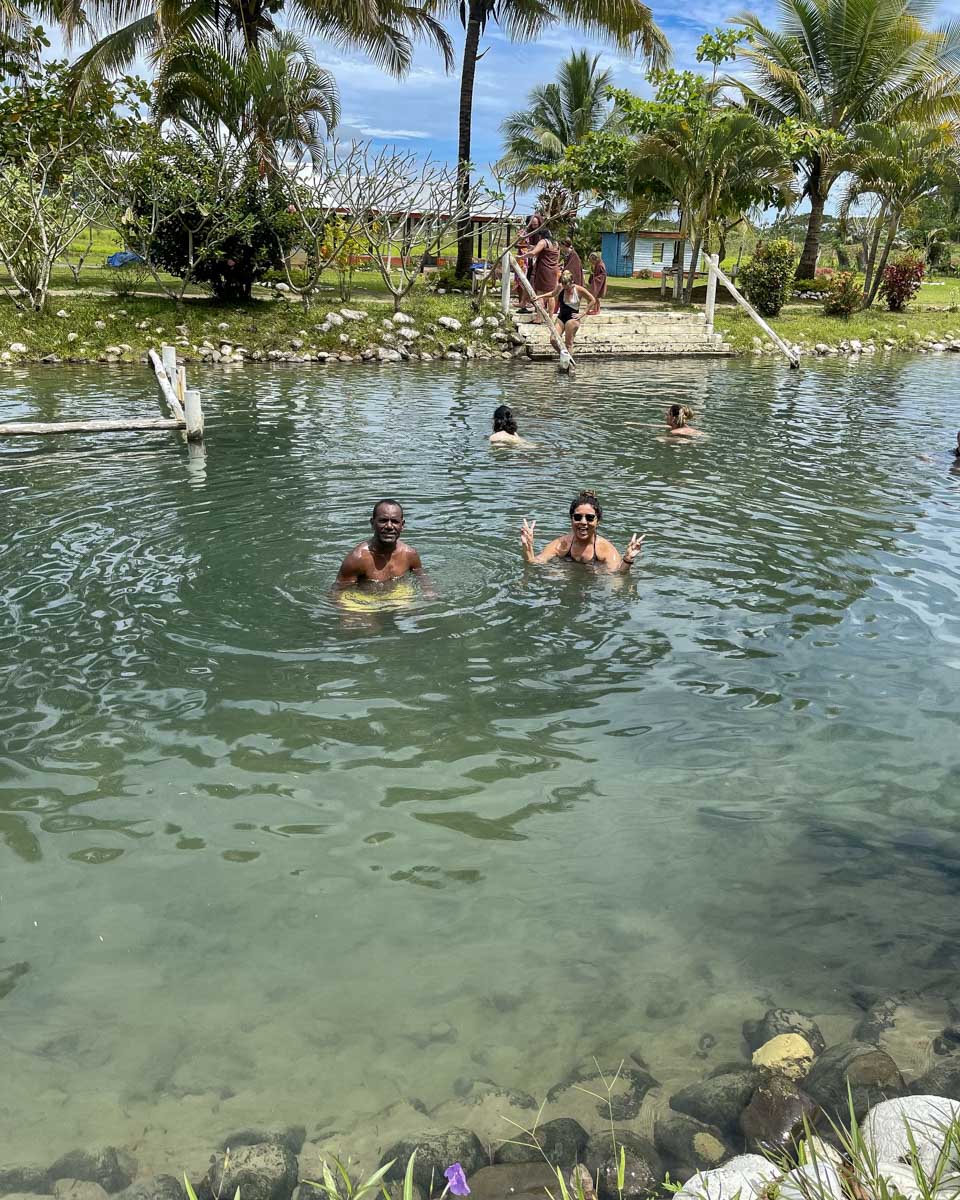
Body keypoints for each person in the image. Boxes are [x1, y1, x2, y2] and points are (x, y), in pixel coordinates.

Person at [520, 489, 644, 572]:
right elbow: (534, 564)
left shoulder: (605, 549)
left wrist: (628, 559)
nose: (583, 522)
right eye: (578, 517)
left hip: (594, 583)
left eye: (589, 518)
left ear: (598, 521)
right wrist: (528, 548)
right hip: (568, 578)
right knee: (554, 575)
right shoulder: (560, 544)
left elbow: (618, 577)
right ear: (571, 519)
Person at [334, 499, 426, 594]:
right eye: (383, 520)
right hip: (367, 601)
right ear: (372, 523)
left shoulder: (410, 555)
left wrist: (429, 593)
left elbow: (422, 578)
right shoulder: (357, 559)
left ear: (402, 525)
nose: (389, 526)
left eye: (395, 521)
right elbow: (337, 593)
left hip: (399, 596)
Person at [537, 270, 596, 353]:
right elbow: (553, 294)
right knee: (553, 339)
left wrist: (583, 313)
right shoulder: (561, 287)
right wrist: (539, 296)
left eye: (567, 287)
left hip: (572, 318)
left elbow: (592, 300)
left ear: (571, 282)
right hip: (561, 317)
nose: (566, 289)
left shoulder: (579, 289)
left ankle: (569, 361)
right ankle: (563, 355)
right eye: (564, 287)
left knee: (568, 343)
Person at [523, 216, 560, 317]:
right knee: (551, 294)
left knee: (540, 293)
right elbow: (557, 257)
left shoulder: (543, 242)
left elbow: (533, 253)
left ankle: (539, 317)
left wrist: (521, 256)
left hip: (543, 270)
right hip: (553, 270)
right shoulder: (556, 243)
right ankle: (551, 317)